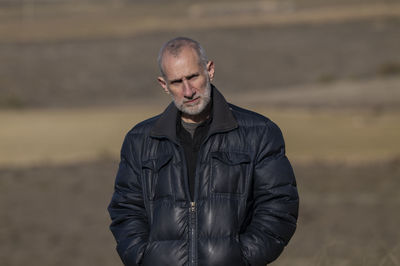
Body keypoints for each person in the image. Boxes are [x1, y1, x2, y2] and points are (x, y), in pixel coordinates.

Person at [108, 37, 299, 266]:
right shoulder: (139, 140)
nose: (188, 91)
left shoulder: (259, 133)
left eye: (193, 77)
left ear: (209, 70)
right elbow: (125, 210)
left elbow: (279, 206)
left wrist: (243, 258)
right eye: (177, 82)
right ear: (163, 84)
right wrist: (144, 258)